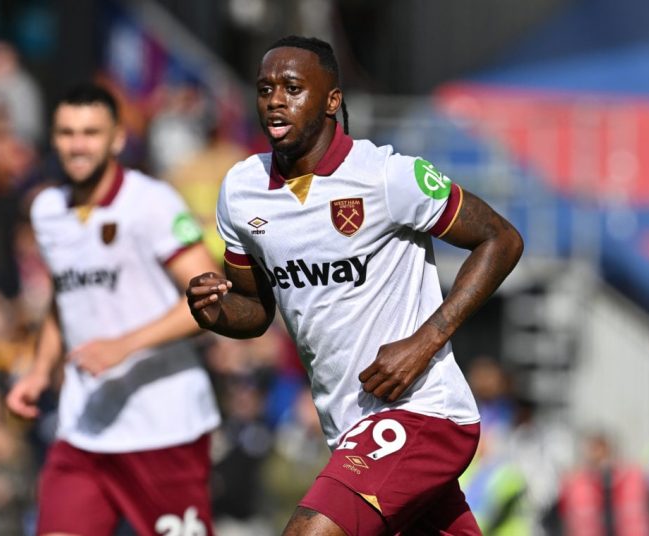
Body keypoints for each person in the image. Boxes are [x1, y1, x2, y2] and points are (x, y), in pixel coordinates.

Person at [186, 35, 524, 535]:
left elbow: (501, 239)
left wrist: (426, 340)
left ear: (331, 100)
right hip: (347, 427)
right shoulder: (242, 191)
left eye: (293, 87)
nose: (276, 99)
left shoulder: (387, 177)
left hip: (423, 413)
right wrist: (213, 310)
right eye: (264, 89)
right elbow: (255, 311)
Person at [6, 83, 221, 535]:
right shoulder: (47, 210)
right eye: (66, 133)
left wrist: (124, 346)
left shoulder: (151, 203)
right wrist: (41, 372)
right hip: (84, 429)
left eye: (90, 132)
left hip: (164, 429)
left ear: (117, 139)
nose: (77, 145)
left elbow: (209, 299)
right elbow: (66, 299)